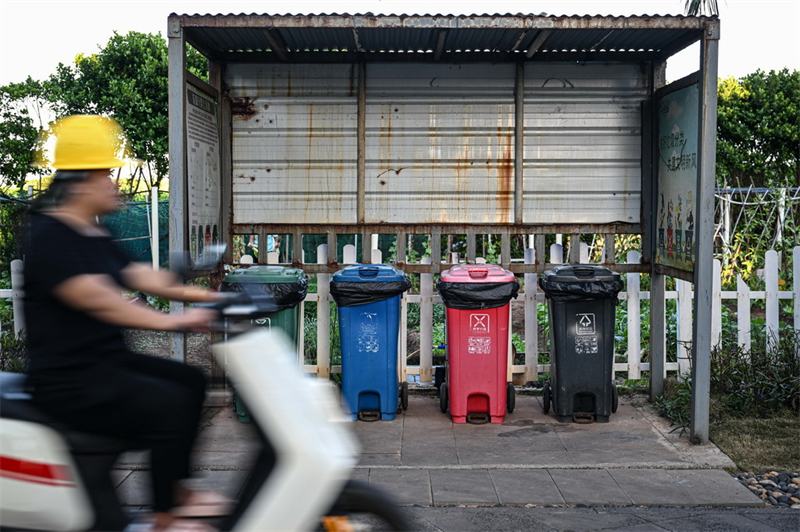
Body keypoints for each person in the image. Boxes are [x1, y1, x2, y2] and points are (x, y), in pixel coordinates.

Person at [23, 115, 225, 531]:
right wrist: (177, 323)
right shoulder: (50, 236)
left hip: (105, 364)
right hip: (71, 382)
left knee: (189, 381)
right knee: (167, 405)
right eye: (107, 174)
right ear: (81, 181)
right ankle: (164, 517)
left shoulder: (90, 232)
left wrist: (208, 296)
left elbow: (139, 276)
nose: (115, 184)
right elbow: (100, 300)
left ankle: (176, 489)